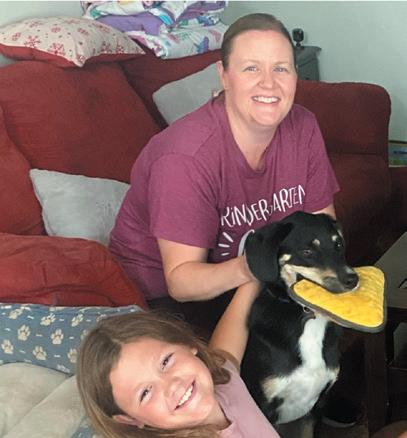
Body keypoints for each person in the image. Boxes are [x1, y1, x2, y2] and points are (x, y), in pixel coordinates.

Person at [108, 13, 339, 318]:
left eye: (281, 68)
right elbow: (181, 282)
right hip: (162, 298)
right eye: (251, 68)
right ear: (224, 75)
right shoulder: (184, 159)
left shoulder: (303, 125)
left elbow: (322, 228)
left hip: (254, 274)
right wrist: (257, 266)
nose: (269, 83)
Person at [76, 280, 280, 437]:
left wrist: (254, 273)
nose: (172, 385)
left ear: (187, 344)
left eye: (166, 362)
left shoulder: (224, 379)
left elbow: (230, 336)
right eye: (145, 393)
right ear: (129, 419)